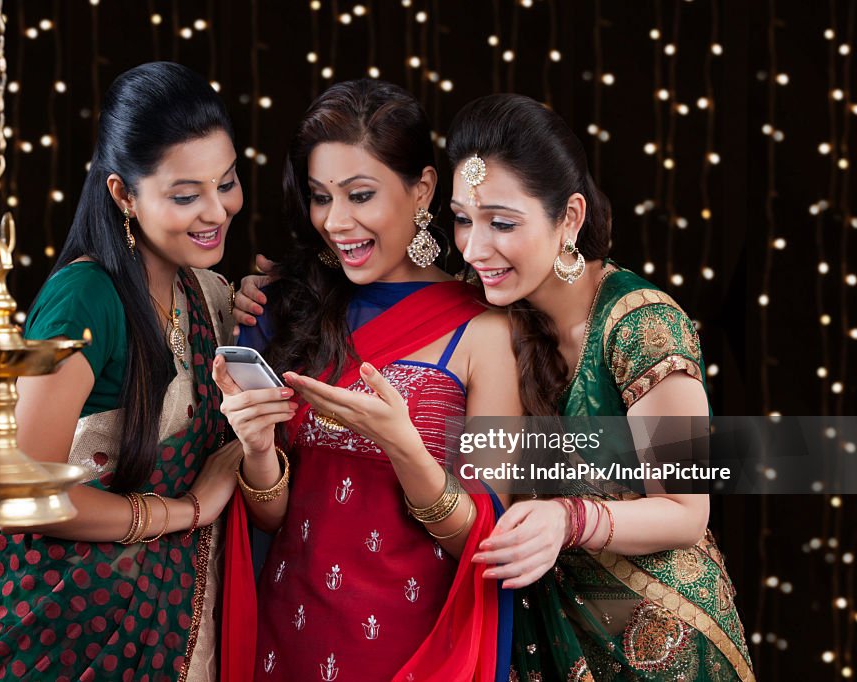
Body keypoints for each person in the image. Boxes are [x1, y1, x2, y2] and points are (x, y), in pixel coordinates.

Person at [214, 79, 518, 681]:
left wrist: (405, 448)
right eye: (321, 197)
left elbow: (486, 537)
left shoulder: (486, 329)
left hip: (410, 649)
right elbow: (273, 517)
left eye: (360, 195)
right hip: (288, 638)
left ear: (423, 188)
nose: (336, 221)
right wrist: (254, 452)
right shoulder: (286, 308)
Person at [448, 94, 753, 681]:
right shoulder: (497, 307)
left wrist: (568, 518)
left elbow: (688, 510)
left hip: (659, 638)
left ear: (569, 219)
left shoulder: (641, 323)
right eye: (463, 218)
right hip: (545, 636)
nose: (474, 248)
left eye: (502, 223)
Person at [0, 62, 245, 682]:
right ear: (123, 194)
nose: (216, 211)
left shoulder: (205, 293)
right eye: (184, 194)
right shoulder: (86, 297)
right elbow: (22, 494)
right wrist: (187, 511)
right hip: (70, 633)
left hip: (178, 632)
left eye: (226, 182)